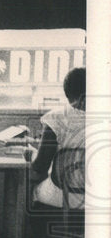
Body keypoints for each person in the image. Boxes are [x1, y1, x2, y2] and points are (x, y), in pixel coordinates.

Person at [29, 67, 85, 211]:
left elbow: (40, 166)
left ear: (67, 93)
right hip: (98, 203)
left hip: (59, 200)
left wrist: (31, 153)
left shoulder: (56, 118)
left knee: (27, 187)